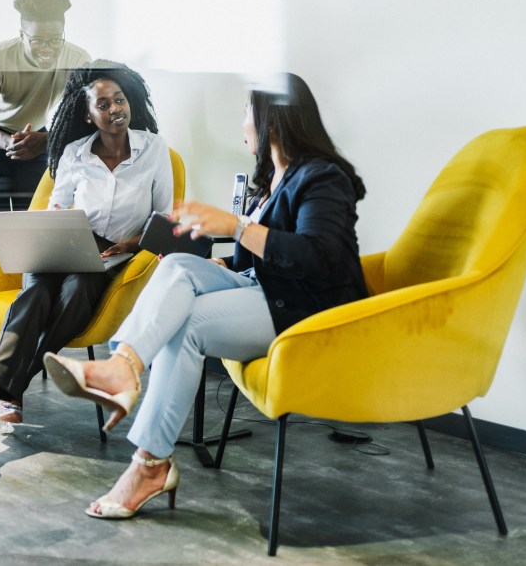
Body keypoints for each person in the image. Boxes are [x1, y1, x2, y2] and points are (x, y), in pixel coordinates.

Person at [44, 73, 369, 518]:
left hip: (309, 310)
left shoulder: (321, 177)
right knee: (179, 265)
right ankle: (123, 367)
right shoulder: (275, 177)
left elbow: (321, 258)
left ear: (271, 121)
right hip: (268, 290)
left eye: (246, 114)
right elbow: (264, 259)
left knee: (189, 324)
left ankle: (150, 464)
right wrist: (225, 266)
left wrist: (236, 227)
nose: (242, 124)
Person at [0, 61, 174, 457]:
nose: (115, 108)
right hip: (63, 241)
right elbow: (58, 206)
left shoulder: (154, 149)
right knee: (35, 297)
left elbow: (164, 217)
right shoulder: (74, 153)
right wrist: (52, 232)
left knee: (77, 292)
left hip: (112, 253)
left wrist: (130, 244)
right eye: (103, 103)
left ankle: (1, 391)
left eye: (119, 99)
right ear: (87, 114)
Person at [0, 0, 92, 237]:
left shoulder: (79, 60)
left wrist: (46, 140)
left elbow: (86, 121)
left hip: (40, 137)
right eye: (37, 41)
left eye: (56, 40)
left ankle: (25, 278)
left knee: (33, 223)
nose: (48, 49)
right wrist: (9, 143)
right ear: (22, 35)